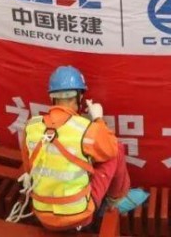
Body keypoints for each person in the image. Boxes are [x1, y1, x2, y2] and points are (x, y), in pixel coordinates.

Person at [20, 66, 148, 231]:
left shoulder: (31, 126)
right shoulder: (86, 129)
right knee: (117, 148)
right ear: (79, 96)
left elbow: (29, 166)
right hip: (80, 215)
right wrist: (98, 119)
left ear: (52, 97)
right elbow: (110, 148)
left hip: (42, 213)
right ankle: (116, 200)